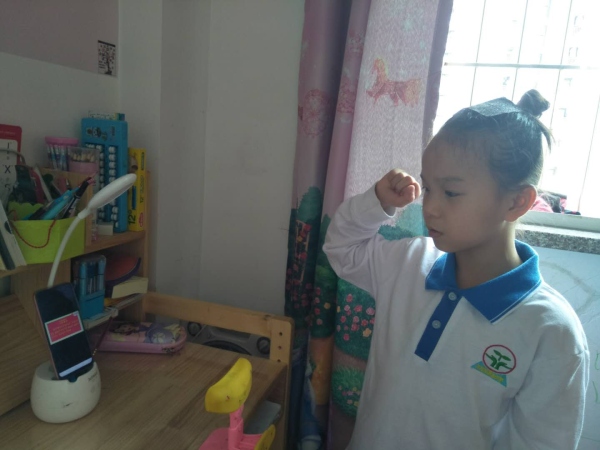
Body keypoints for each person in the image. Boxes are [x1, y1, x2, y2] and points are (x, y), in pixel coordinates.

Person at [323, 90, 589, 449]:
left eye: (450, 193)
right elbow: (343, 250)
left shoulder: (550, 331)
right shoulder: (408, 262)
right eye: (428, 188)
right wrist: (377, 202)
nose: (429, 207)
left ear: (516, 201)